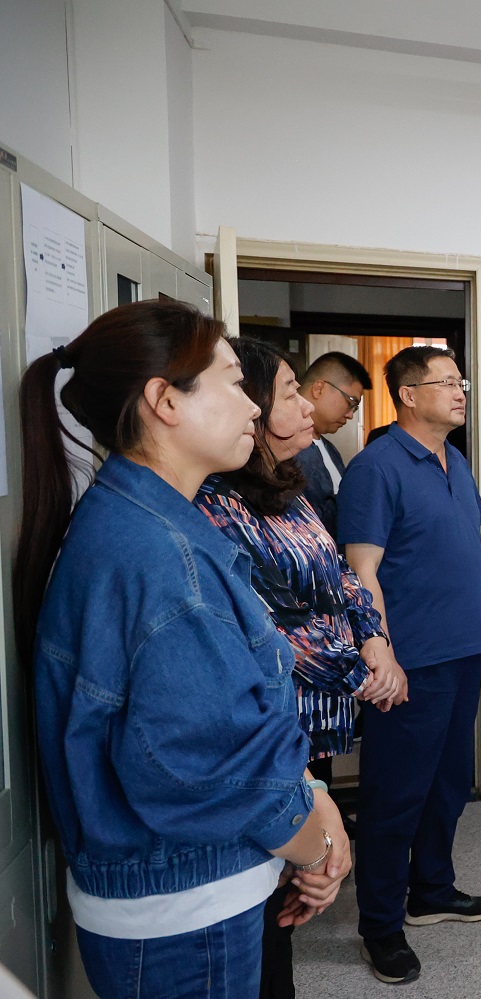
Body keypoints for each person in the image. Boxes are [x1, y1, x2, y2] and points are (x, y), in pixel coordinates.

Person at [14, 301, 351, 999]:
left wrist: (312, 797)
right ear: (165, 401)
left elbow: (225, 721)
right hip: (183, 911)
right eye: (233, 382)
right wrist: (316, 837)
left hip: (185, 890)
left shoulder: (151, 522)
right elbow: (208, 763)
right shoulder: (158, 557)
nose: (253, 407)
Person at [194, 338, 408, 999]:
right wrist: (361, 671)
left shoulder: (289, 491)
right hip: (269, 728)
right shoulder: (214, 504)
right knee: (265, 910)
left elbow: (341, 576)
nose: (306, 407)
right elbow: (268, 624)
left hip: (307, 733)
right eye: (290, 392)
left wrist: (374, 638)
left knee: (284, 896)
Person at [339, 346, 481, 985]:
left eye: (462, 382)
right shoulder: (376, 468)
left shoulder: (454, 460)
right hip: (410, 662)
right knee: (394, 796)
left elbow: (464, 551)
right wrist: (381, 652)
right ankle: (380, 924)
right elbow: (362, 572)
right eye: (447, 383)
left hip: (462, 651)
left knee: (449, 783)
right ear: (407, 394)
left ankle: (431, 889)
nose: (460, 392)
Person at [293, 350, 373, 539]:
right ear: (319, 388)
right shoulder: (286, 446)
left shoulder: (331, 450)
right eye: (350, 402)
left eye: (355, 408)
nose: (350, 415)